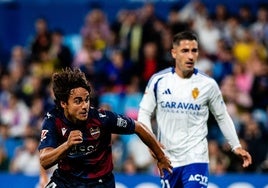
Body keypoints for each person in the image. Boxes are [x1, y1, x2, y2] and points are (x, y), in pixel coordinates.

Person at [137, 31, 252, 188]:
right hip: (168, 159)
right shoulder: (159, 81)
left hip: (196, 157)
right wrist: (151, 143)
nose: (190, 56)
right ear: (174, 53)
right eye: (185, 51)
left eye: (194, 50)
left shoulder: (208, 84)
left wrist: (236, 145)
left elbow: (222, 116)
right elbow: (144, 113)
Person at [38, 67, 172, 188]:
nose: (84, 106)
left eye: (86, 99)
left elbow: (138, 127)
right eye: (78, 101)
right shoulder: (53, 119)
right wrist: (67, 145)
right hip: (66, 180)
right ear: (63, 103)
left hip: (99, 182)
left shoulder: (101, 118)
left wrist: (161, 158)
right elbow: (44, 160)